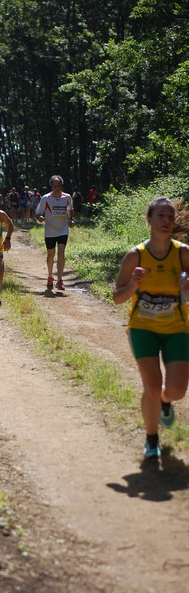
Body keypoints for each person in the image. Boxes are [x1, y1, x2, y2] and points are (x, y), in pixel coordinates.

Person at [113, 196, 189, 459]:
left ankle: (166, 402)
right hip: (142, 327)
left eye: (170, 216)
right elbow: (117, 297)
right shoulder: (136, 255)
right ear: (149, 219)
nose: (166, 220)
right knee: (152, 385)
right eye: (161, 216)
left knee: (177, 390)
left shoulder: (183, 253)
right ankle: (151, 439)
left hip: (177, 328)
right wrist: (134, 284)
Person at [35, 174, 74, 290]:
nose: (56, 188)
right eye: (54, 186)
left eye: (58, 186)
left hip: (63, 229)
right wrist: (40, 218)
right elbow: (38, 213)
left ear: (61, 186)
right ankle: (50, 275)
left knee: (61, 252)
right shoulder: (45, 198)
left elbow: (69, 210)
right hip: (50, 231)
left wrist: (71, 220)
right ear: (51, 186)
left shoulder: (67, 197)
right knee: (51, 254)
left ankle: (60, 279)